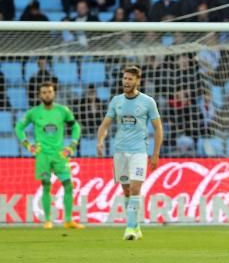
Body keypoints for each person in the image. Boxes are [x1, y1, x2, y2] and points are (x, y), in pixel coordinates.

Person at [96, 66, 163, 241]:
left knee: (135, 188)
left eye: (130, 79)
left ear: (137, 81)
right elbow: (105, 124)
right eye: (124, 78)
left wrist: (155, 153)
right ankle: (136, 225)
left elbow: (158, 128)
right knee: (126, 190)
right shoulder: (116, 101)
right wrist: (100, 141)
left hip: (139, 152)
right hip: (120, 152)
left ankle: (130, 228)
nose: (126, 82)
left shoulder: (148, 102)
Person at [14, 82, 83, 229]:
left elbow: (76, 126)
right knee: (46, 185)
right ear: (40, 95)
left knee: (68, 185)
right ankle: (47, 220)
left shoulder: (62, 111)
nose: (47, 94)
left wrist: (72, 145)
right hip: (42, 155)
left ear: (54, 93)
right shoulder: (34, 113)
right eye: (44, 92)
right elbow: (19, 127)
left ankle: (69, 220)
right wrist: (27, 145)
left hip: (59, 154)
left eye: (50, 92)